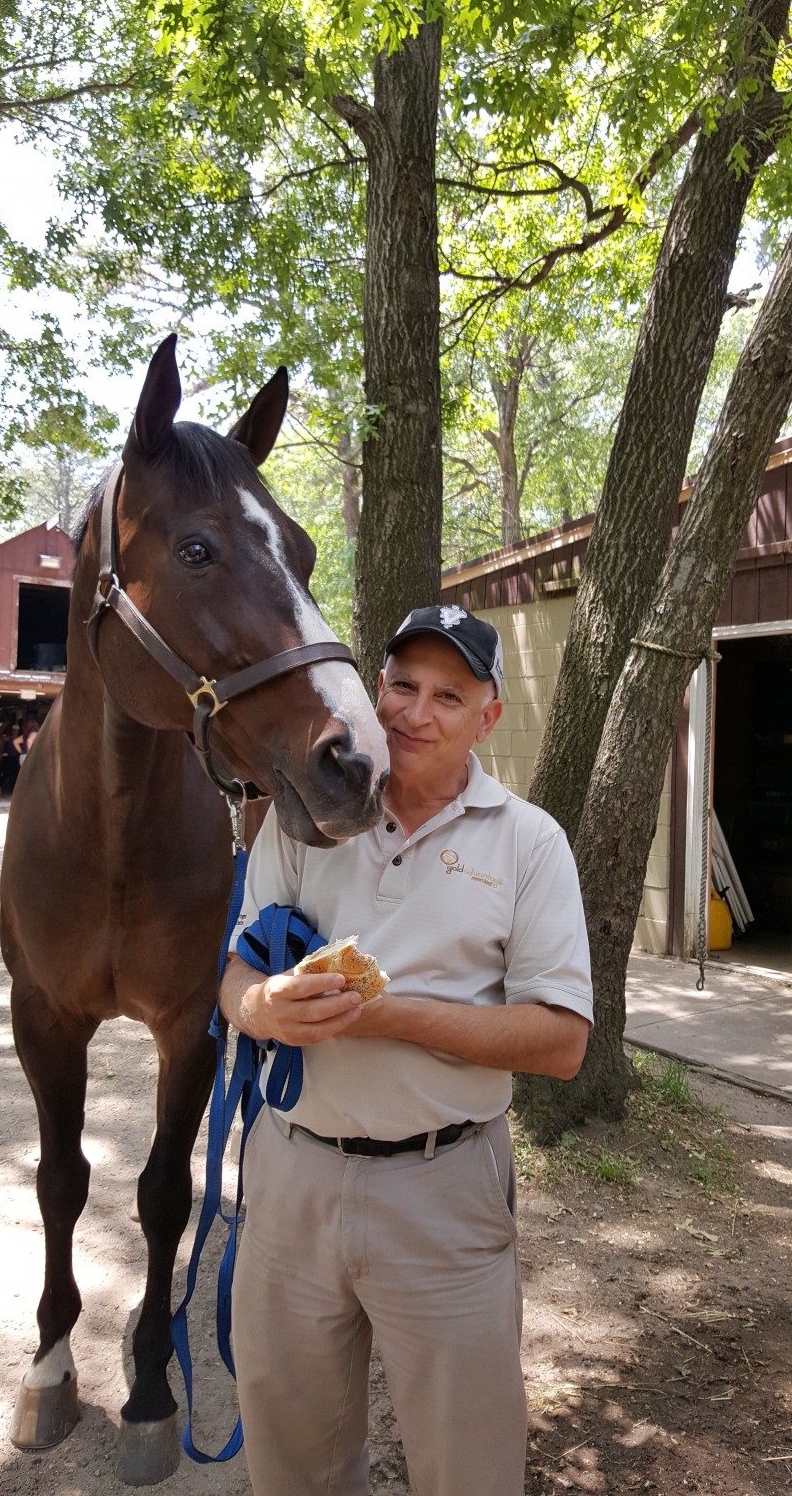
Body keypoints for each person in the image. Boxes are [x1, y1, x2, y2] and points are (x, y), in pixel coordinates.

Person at [220, 604, 593, 1496]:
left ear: (486, 717)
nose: (413, 714)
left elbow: (561, 1041)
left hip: (443, 1186)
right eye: (400, 686)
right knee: (291, 1461)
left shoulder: (527, 840)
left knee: (468, 1465)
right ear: (373, 689)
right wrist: (263, 1008)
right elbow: (232, 975)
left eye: (446, 696)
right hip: (289, 1180)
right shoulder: (301, 814)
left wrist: (391, 1016)